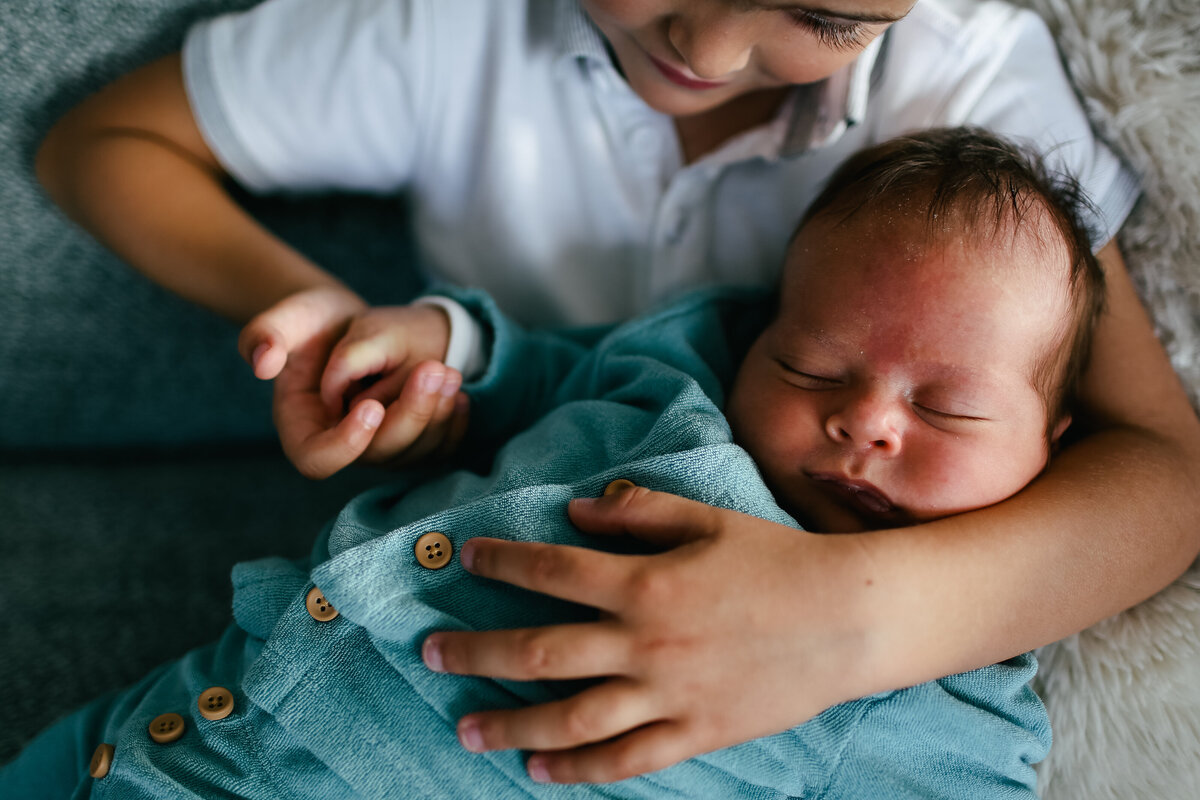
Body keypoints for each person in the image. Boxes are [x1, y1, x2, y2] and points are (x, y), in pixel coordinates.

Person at [33, 0, 1200, 784]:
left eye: (827, 19)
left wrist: (847, 621)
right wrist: (332, 319)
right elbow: (102, 141)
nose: (715, 43)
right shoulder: (453, 34)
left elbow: (1164, 470)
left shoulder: (969, 80)